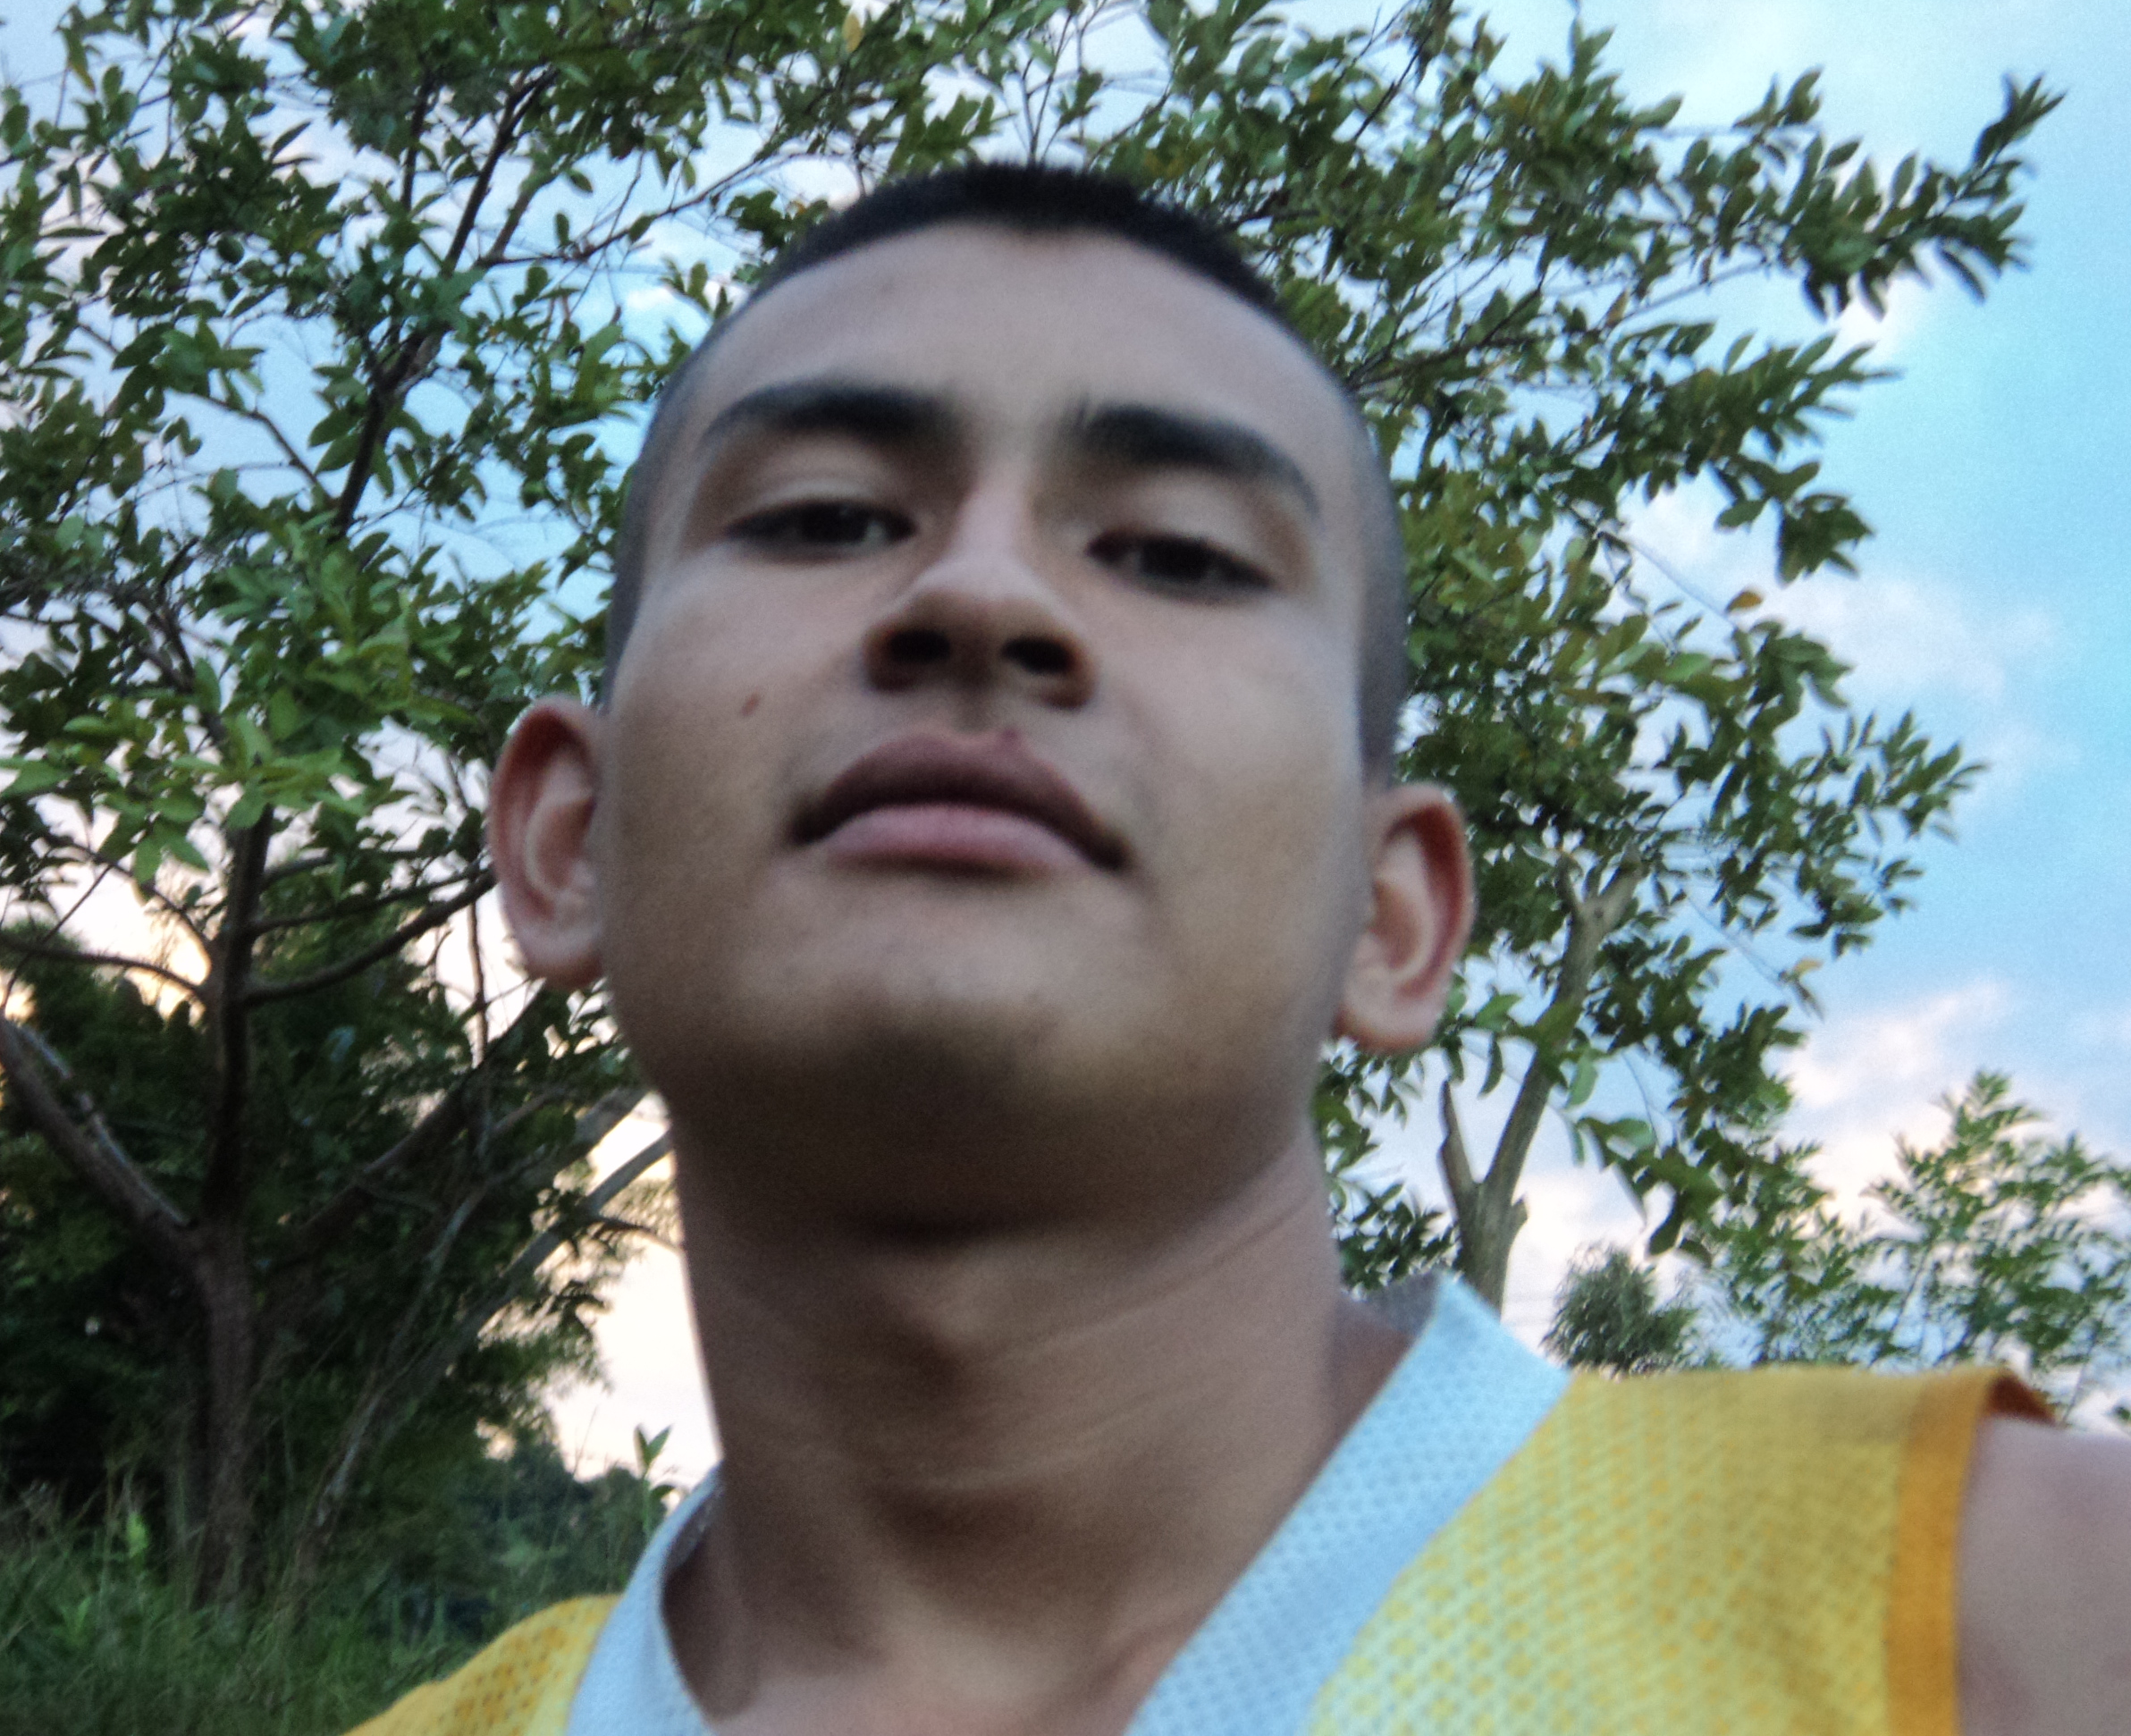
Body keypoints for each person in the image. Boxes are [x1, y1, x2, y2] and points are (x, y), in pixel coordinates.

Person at [353, 164, 2131, 1736]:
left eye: (1180, 554)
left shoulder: (2015, 1625)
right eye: (826, 516)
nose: (983, 594)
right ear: (566, 838)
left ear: (1394, 914)